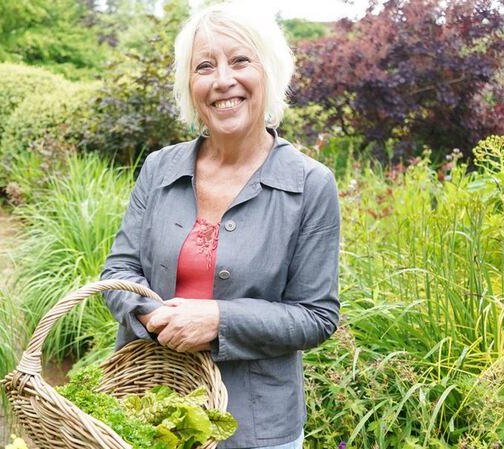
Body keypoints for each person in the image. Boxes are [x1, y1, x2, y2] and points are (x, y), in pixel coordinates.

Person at [100, 2, 341, 448]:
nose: (223, 80)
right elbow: (118, 274)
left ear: (268, 71)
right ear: (190, 86)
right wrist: (157, 318)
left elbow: (316, 316)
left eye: (240, 60)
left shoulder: (309, 184)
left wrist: (218, 320)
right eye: (204, 66)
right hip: (149, 415)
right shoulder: (159, 168)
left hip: (255, 427)